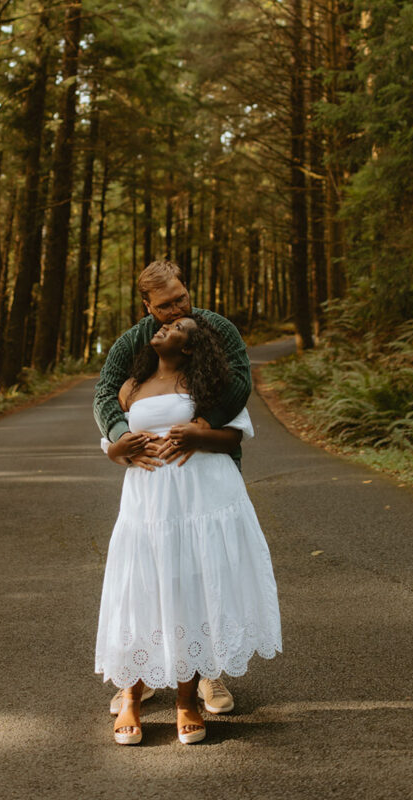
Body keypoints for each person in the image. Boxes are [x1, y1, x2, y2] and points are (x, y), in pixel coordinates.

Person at [94, 313, 281, 744]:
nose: (163, 328)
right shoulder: (132, 386)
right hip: (147, 502)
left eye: (177, 329)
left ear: (190, 349)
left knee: (190, 589)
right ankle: (132, 698)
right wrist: (116, 451)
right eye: (164, 324)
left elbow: (233, 437)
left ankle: (185, 700)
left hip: (201, 497)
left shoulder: (207, 386)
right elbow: (114, 443)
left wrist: (197, 437)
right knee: (140, 588)